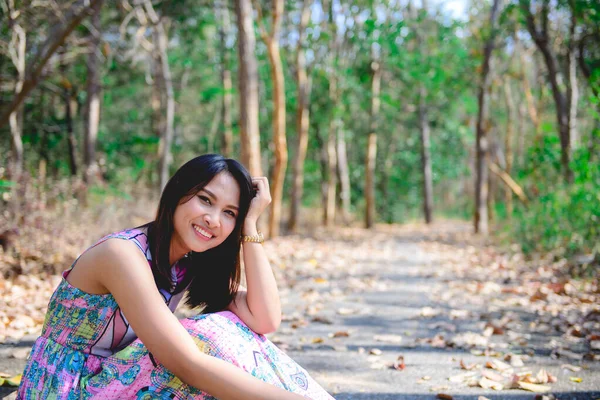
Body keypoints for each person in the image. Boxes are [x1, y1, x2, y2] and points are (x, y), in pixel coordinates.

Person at [17, 154, 334, 400]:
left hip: (111, 382)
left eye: (230, 213)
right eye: (205, 200)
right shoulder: (121, 254)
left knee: (232, 330)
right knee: (209, 337)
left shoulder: (186, 263)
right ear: (178, 193)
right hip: (67, 390)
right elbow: (187, 364)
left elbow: (263, 320)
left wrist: (250, 227)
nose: (212, 219)